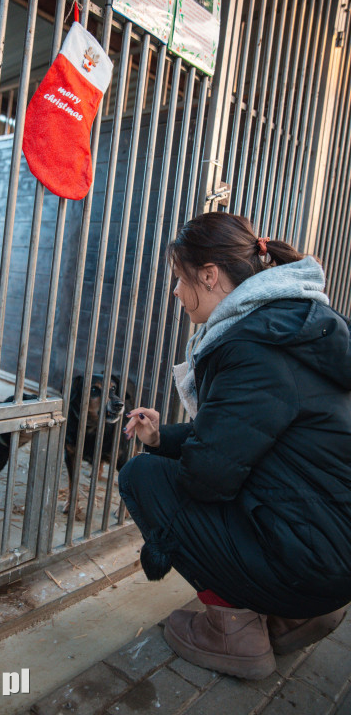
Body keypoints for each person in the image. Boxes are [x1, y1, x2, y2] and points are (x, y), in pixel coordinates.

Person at [120, 211, 351, 681]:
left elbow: (208, 477)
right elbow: (256, 444)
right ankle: (295, 617)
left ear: (210, 276)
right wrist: (164, 437)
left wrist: (165, 456)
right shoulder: (298, 324)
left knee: (142, 478)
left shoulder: (253, 345)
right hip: (333, 552)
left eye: (179, 279)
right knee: (172, 467)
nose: (176, 293)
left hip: (312, 560)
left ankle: (232, 629)